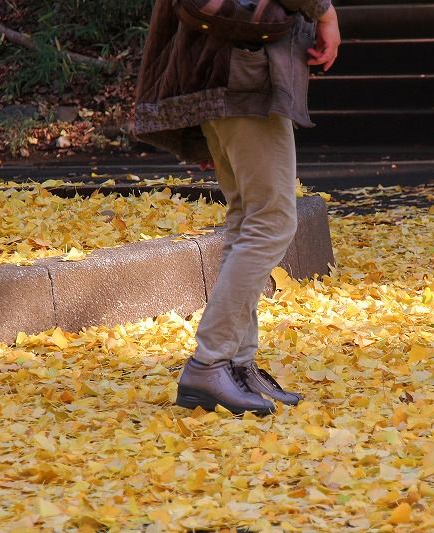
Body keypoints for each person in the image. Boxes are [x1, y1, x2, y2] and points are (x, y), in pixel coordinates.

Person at [134, 0, 340, 415]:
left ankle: (235, 364)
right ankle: (209, 362)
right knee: (273, 221)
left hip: (221, 68)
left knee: (248, 218)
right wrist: (325, 13)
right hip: (245, 69)